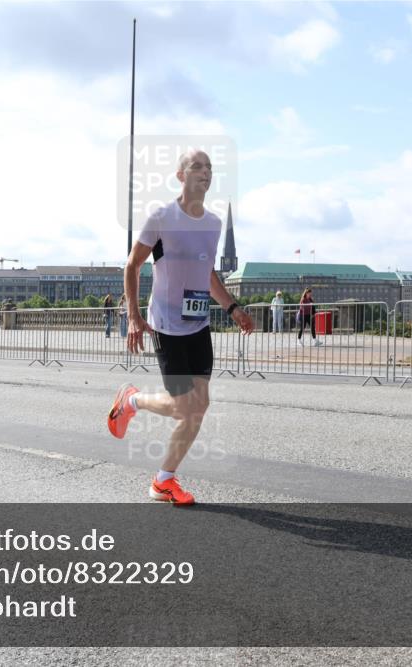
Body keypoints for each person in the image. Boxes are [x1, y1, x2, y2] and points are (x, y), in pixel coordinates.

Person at [107, 149, 255, 505]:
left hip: (199, 325)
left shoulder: (213, 223)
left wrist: (232, 307)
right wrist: (132, 316)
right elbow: (132, 266)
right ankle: (132, 400)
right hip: (167, 326)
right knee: (183, 408)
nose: (205, 173)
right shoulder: (162, 217)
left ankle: (163, 481)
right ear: (180, 175)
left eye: (209, 168)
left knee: (197, 411)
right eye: (197, 166)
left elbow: (207, 274)